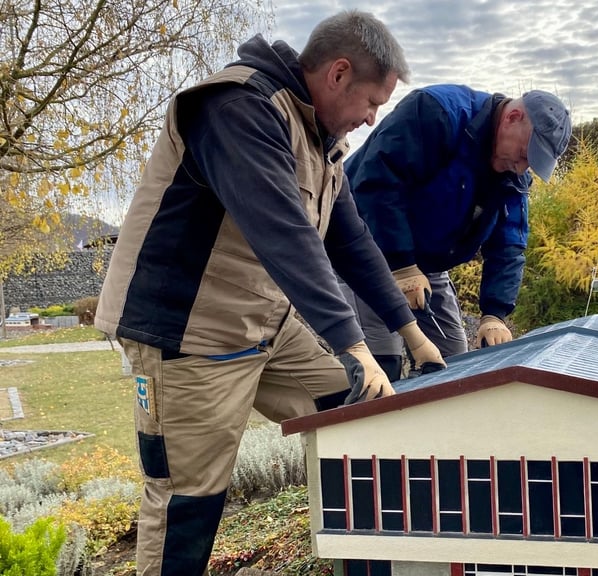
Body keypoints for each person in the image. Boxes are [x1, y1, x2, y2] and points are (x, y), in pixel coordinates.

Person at [95, 11, 444, 575]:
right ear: (337, 74)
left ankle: (365, 559)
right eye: (371, 103)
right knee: (189, 498)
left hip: (266, 327)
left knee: (363, 411)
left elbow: (353, 243)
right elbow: (286, 236)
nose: (371, 119)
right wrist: (353, 345)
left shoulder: (322, 142)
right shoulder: (238, 110)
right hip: (189, 333)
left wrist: (413, 336)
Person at [343, 84, 572, 379]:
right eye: (526, 153)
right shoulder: (436, 112)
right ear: (512, 117)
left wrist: (494, 314)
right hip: (366, 246)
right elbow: (377, 186)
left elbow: (509, 244)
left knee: (452, 364)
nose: (522, 166)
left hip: (428, 265)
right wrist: (402, 265)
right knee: (380, 365)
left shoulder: (513, 175)